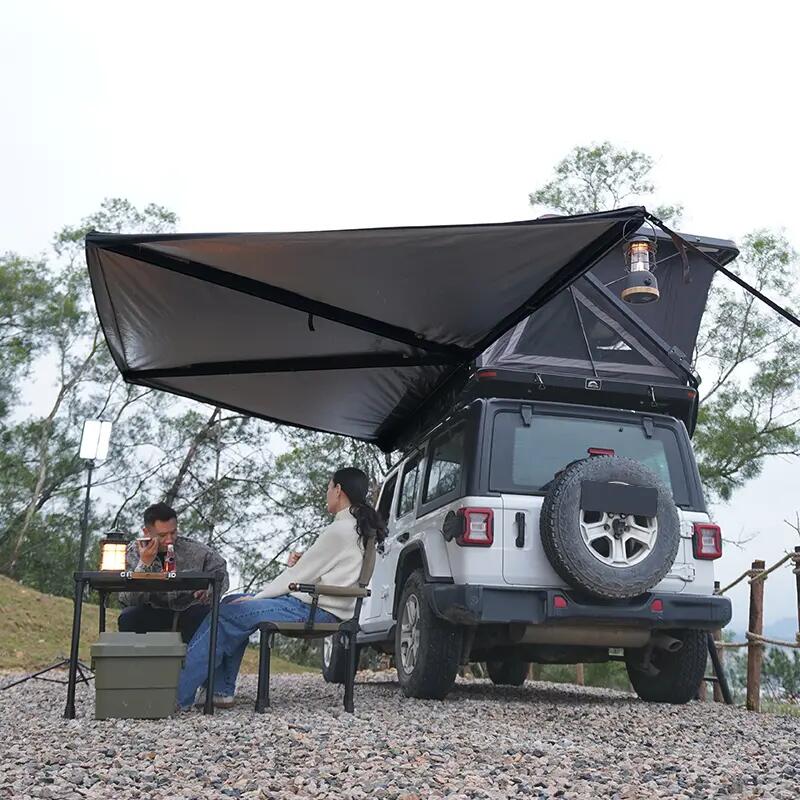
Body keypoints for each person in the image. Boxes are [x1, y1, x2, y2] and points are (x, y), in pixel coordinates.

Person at [176, 467, 386, 709]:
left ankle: (176, 694)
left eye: (329, 488)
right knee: (230, 604)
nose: (326, 494)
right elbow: (327, 572)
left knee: (228, 612)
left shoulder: (338, 530)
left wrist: (256, 598)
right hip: (323, 605)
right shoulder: (356, 528)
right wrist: (298, 567)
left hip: (314, 609)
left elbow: (296, 576)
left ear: (339, 490)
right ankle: (220, 692)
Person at [118, 502, 230, 643]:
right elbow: (127, 600)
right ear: (146, 532)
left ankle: (194, 664)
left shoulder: (198, 552)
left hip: (189, 609)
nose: (169, 539)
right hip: (151, 610)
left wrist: (209, 590)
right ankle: (137, 663)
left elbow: (221, 575)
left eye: (173, 532)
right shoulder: (131, 554)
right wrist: (144, 564)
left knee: (207, 617)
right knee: (128, 617)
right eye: (162, 535)